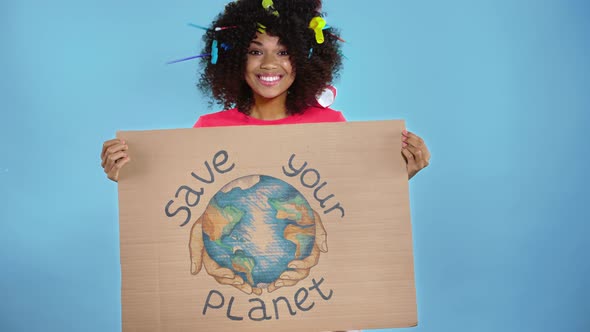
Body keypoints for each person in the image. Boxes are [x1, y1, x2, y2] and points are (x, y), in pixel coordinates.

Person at [100, 0, 430, 330]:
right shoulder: (208, 130)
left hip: (318, 317)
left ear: (304, 58)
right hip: (238, 317)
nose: (270, 64)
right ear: (235, 58)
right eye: (256, 51)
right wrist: (131, 179)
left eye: (284, 52)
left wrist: (398, 176)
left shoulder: (330, 125)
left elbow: (349, 209)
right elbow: (180, 207)